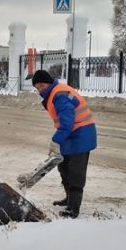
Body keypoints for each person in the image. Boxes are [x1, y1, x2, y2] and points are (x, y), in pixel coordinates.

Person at [31, 69, 97, 218]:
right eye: (37, 88)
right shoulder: (54, 93)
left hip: (81, 136)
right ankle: (69, 198)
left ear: (48, 82)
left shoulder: (60, 95)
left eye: (42, 85)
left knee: (75, 173)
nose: (40, 89)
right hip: (71, 136)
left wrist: (55, 140)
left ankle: (73, 208)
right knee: (64, 168)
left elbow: (67, 123)